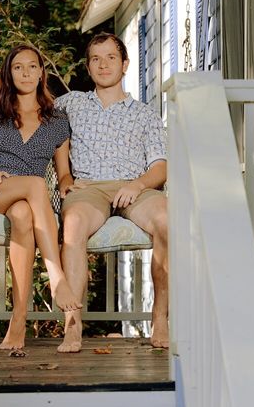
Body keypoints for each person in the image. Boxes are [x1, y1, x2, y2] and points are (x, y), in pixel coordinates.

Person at [54, 32, 168, 352]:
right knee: (74, 223)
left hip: (135, 186)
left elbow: (160, 167)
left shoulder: (145, 114)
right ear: (88, 67)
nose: (103, 65)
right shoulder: (71, 103)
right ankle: (73, 326)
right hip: (88, 188)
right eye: (95, 59)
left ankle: (160, 320)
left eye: (111, 58)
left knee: (167, 220)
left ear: (125, 64)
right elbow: (23, 107)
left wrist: (138, 185)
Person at [0, 44, 82, 350]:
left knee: (22, 215)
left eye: (32, 66)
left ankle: (18, 323)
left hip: (27, 199)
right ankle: (56, 276)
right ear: (9, 73)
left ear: (42, 73)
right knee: (33, 184)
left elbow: (63, 172)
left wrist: (68, 184)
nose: (26, 72)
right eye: (18, 67)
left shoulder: (57, 122)